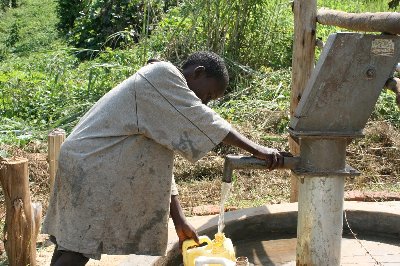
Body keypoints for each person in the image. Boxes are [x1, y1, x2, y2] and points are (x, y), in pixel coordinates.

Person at [43, 51, 284, 265]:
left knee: (72, 244)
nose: (204, 102)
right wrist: (257, 149)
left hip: (84, 159)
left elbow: (158, 166)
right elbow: (204, 119)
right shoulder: (163, 74)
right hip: (92, 164)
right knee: (80, 247)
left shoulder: (160, 99)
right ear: (199, 73)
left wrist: (179, 220)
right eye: (208, 94)